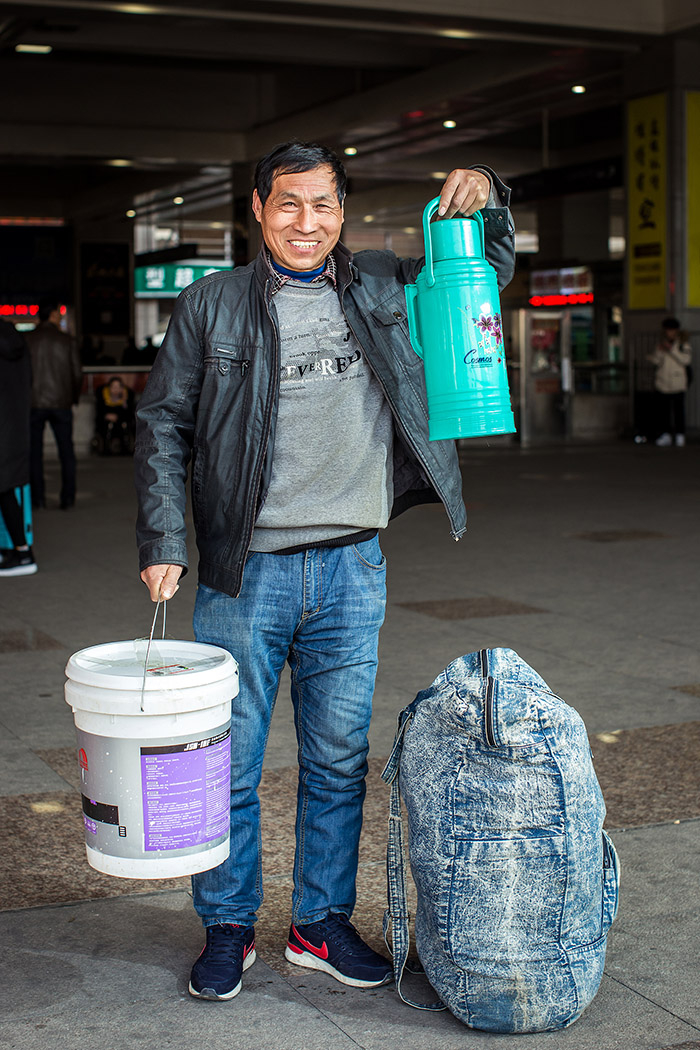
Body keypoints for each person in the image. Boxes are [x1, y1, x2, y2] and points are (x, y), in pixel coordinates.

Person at [134, 141, 515, 1002]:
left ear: (343, 212)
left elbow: (483, 273)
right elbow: (162, 425)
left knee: (340, 762)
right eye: (289, 204)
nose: (307, 223)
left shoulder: (383, 283)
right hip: (244, 577)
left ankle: (319, 923)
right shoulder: (210, 305)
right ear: (258, 209)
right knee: (230, 763)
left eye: (324, 205)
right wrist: (164, 541)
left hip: (352, 567)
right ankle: (228, 926)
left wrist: (490, 195)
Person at [27, 299, 82, 508]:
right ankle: (67, 498)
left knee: (34, 454)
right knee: (66, 452)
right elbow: (77, 374)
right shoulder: (66, 340)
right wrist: (72, 398)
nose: (60, 316)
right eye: (58, 313)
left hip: (33, 403)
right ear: (51, 315)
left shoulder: (27, 340)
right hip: (61, 403)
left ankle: (38, 499)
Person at [0, 319, 37, 576]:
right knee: (6, 489)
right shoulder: (16, 341)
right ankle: (20, 550)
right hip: (14, 427)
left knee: (4, 490)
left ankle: (23, 554)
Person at [648, 317, 692, 447]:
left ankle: (680, 434)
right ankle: (665, 434)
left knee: (678, 410)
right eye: (667, 330)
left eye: (671, 330)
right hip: (663, 382)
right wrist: (659, 352)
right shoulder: (661, 343)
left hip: (678, 382)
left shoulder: (683, 344)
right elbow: (656, 361)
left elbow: (686, 360)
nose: (669, 333)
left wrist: (671, 349)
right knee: (663, 411)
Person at [94, 376, 135, 455]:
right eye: (113, 387)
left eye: (118, 387)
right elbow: (99, 411)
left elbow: (129, 413)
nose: (116, 390)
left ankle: (125, 448)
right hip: (106, 421)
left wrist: (124, 402)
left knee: (125, 425)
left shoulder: (127, 396)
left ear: (122, 388)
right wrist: (107, 416)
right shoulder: (103, 396)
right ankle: (105, 448)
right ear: (109, 388)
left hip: (121, 421)